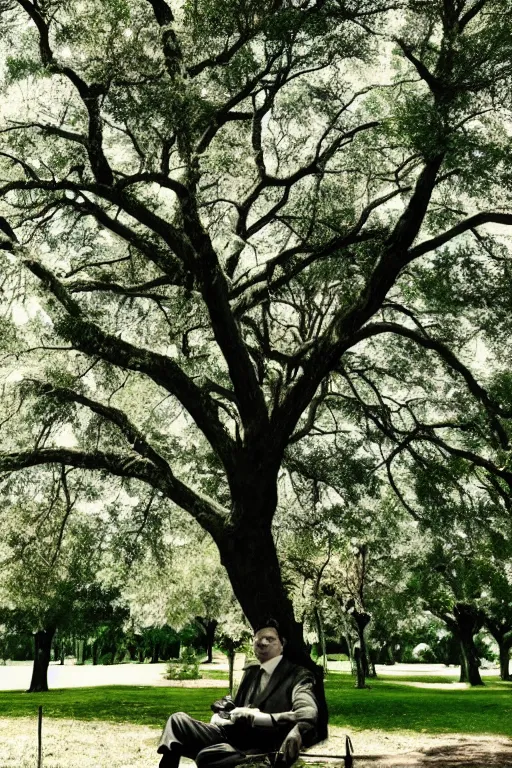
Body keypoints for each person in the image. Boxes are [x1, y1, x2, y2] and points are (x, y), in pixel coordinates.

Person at [157, 620, 319, 768]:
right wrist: (224, 710)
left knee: (208, 757)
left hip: (259, 746)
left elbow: (307, 713)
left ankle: (247, 761)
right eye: (258, 640)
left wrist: (260, 718)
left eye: (270, 639)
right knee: (177, 721)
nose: (262, 643)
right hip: (229, 734)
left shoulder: (298, 677)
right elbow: (234, 703)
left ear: (282, 644)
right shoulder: (251, 673)